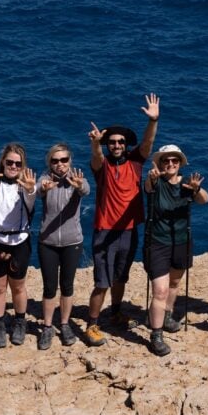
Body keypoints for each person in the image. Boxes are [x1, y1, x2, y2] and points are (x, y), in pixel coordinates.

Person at [84, 92, 160, 346]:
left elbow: (148, 145)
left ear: (126, 144)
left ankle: (115, 313)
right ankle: (92, 324)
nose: (116, 145)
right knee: (102, 281)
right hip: (105, 231)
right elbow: (95, 157)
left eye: (120, 142)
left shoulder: (136, 162)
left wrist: (153, 121)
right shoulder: (102, 165)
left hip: (129, 229)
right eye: (111, 142)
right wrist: (96, 143)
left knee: (120, 277)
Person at [144, 145, 208, 355]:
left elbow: (204, 200)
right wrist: (152, 177)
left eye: (174, 160)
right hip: (157, 242)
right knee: (160, 290)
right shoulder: (156, 183)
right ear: (160, 163)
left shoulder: (186, 185)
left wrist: (196, 189)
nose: (170, 164)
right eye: (166, 160)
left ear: (180, 163)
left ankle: (167, 315)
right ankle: (156, 334)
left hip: (181, 241)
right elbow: (147, 186)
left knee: (174, 282)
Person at [0, 143, 36, 347]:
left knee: (18, 286)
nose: (13, 166)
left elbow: (31, 194)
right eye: (9, 162)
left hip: (19, 241)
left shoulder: (27, 185)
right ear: (3, 161)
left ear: (22, 166)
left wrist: (30, 188)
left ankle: (20, 322)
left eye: (17, 164)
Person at [35, 143, 90, 349]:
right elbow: (38, 190)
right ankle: (48, 327)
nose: (60, 164)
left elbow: (86, 190)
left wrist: (78, 185)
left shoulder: (76, 179)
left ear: (70, 162)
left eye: (63, 160)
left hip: (72, 241)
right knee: (49, 287)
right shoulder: (45, 179)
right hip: (47, 242)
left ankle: (65, 324)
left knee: (67, 286)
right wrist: (43, 188)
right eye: (55, 161)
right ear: (50, 163)